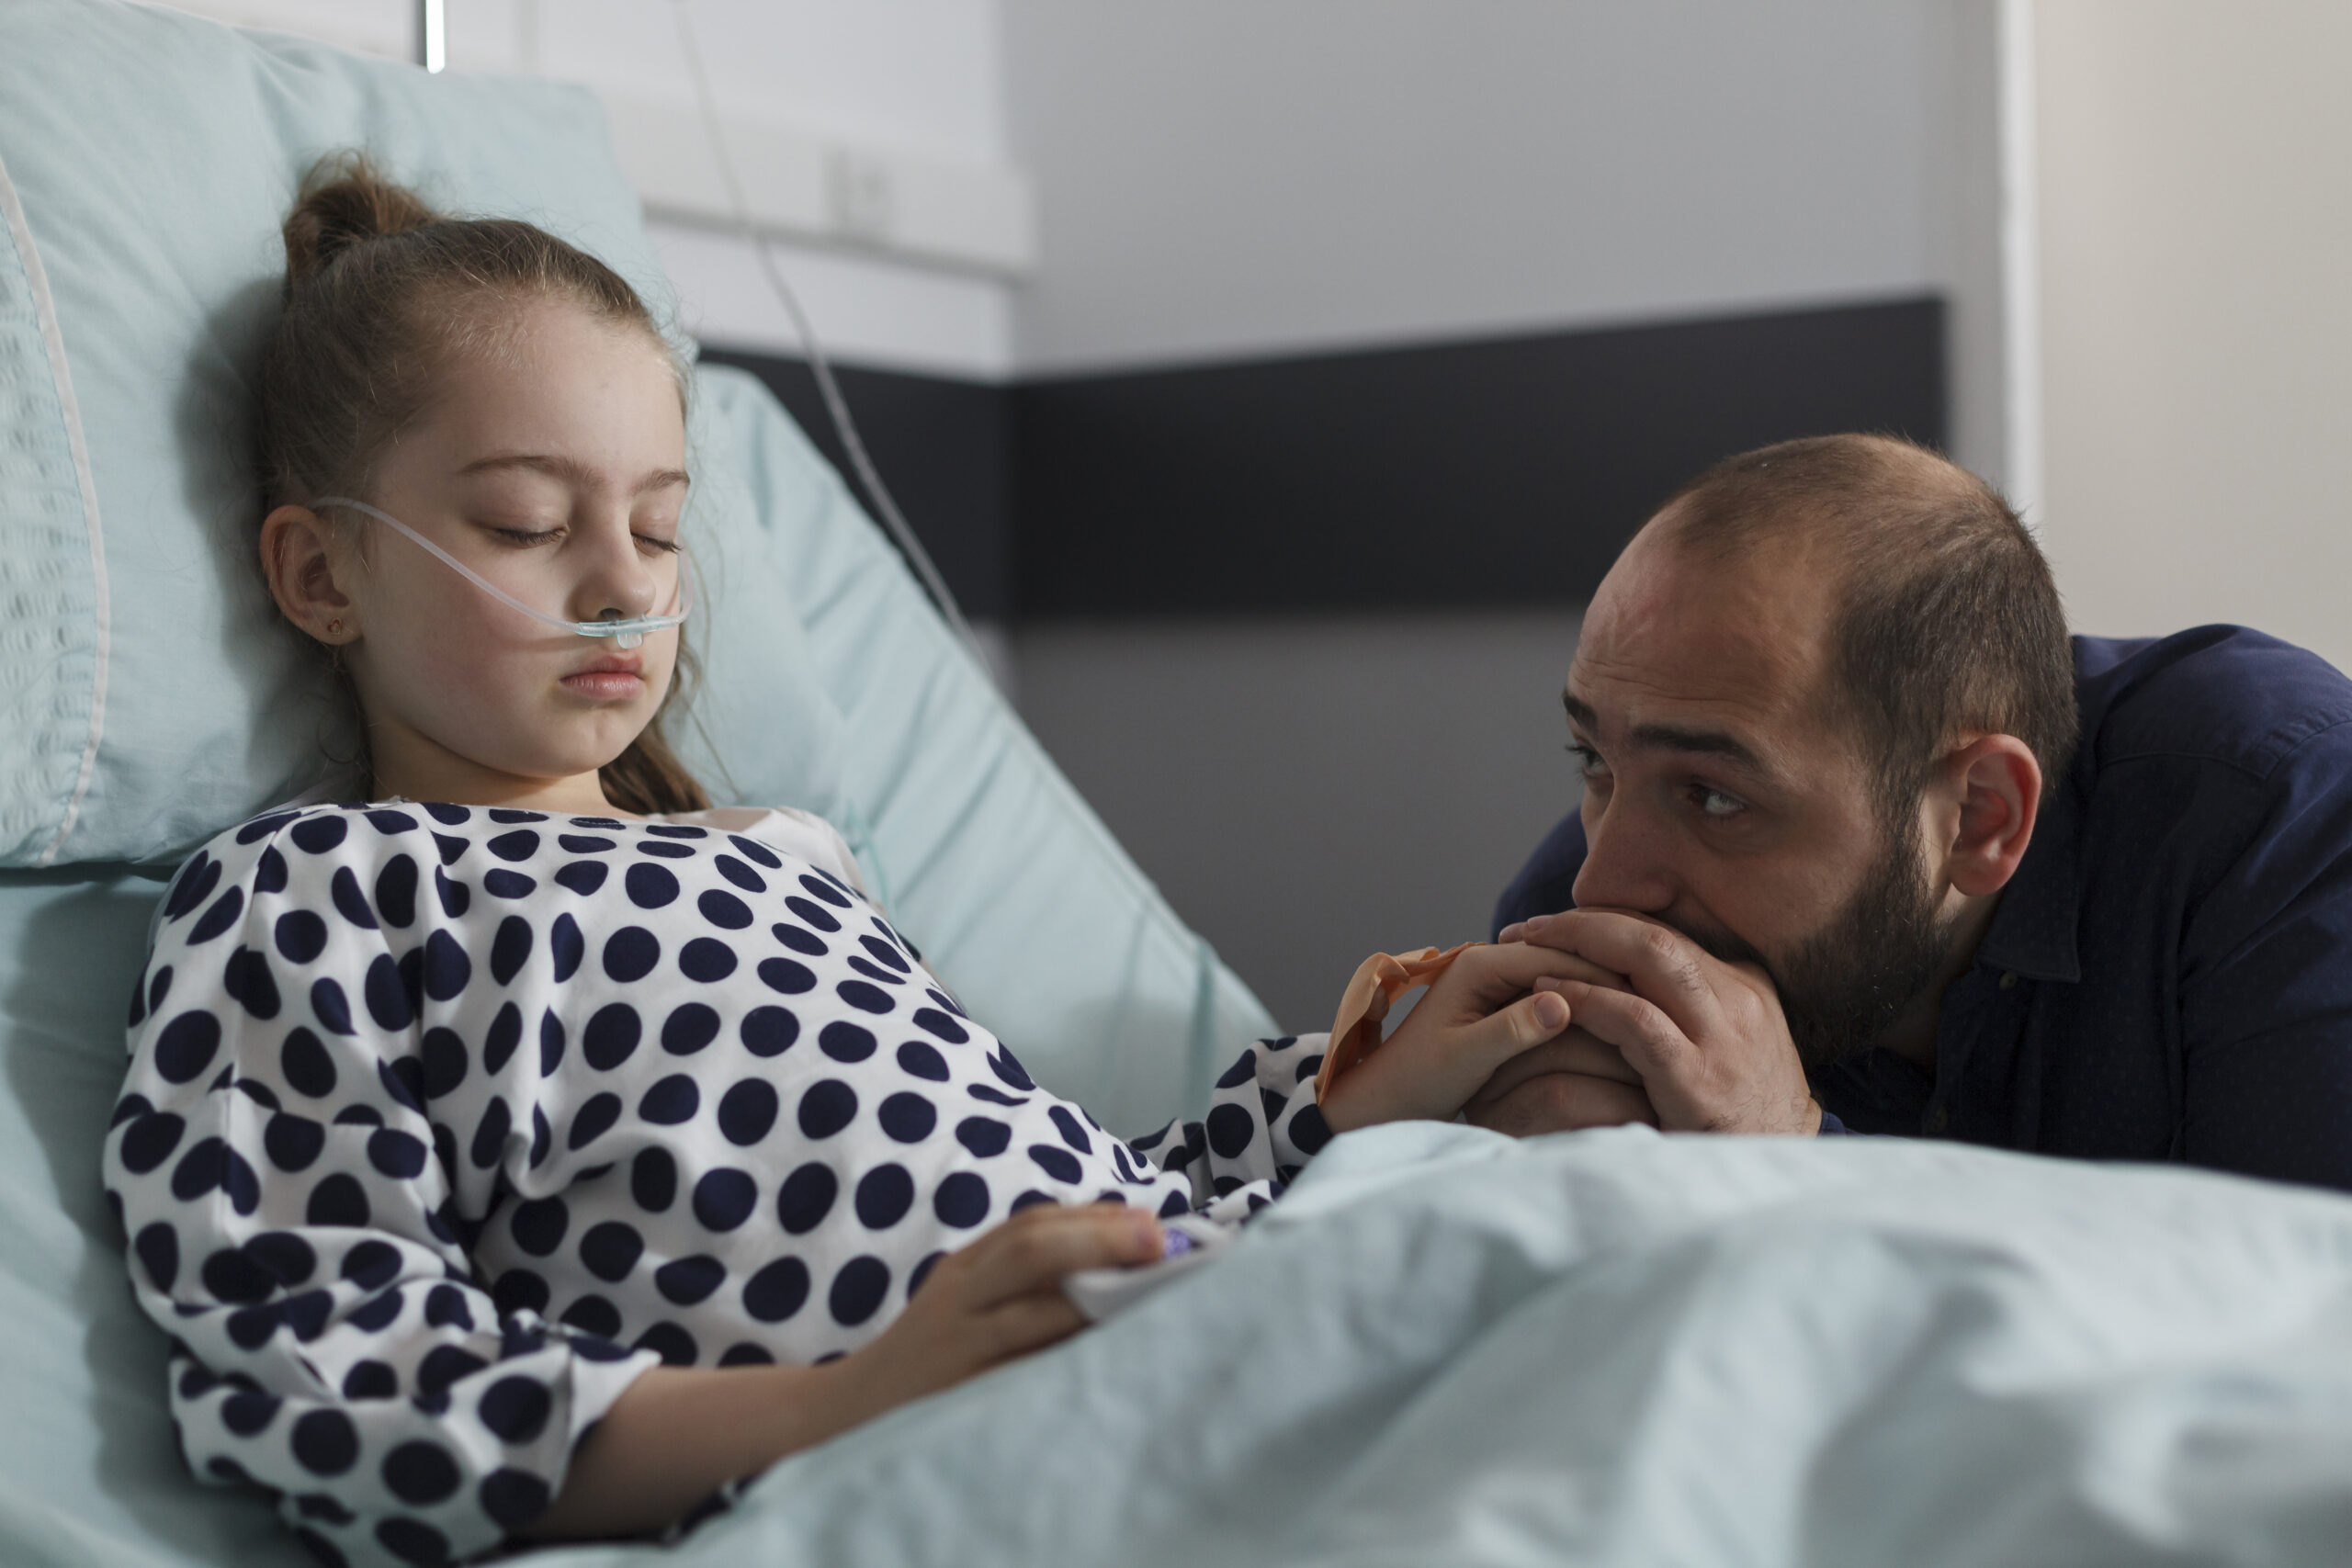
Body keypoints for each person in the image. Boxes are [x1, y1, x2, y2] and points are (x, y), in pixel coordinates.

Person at [101, 156, 1594, 1568]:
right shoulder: (319, 895)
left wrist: (1346, 1103)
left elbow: (1065, 1178)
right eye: (526, 521)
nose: (623, 581)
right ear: (318, 573)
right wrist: (861, 1396)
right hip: (960, 1453)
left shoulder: (789, 858)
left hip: (1197, 1316)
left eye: (662, 525)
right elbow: (327, 1383)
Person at [1473, 432, 2352, 1194]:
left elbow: (2302, 1339)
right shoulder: (1578, 912)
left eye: (1714, 796)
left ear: (1979, 816)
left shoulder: (2270, 815)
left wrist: (1790, 1158)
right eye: (1594, 760)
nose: (1604, 881)